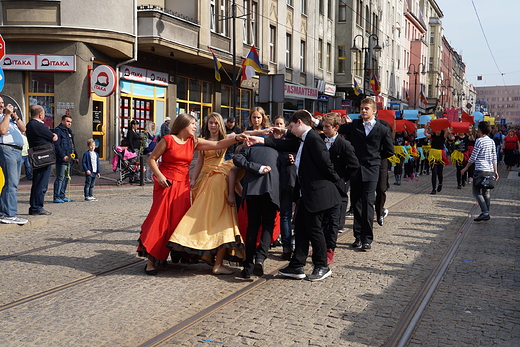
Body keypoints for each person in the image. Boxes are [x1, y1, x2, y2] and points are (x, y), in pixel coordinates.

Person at [137, 113, 246, 275]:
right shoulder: (167, 139)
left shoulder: (193, 142)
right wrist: (160, 176)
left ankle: (164, 256)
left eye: (195, 124)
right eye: (193, 124)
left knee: (177, 222)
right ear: (183, 125)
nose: (196, 126)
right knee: (160, 220)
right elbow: (152, 159)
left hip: (182, 186)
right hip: (166, 185)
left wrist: (238, 138)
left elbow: (218, 144)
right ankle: (151, 262)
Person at [248, 110, 342, 281]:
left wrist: (338, 184)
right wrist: (260, 139)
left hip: (317, 193)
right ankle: (296, 265)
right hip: (306, 194)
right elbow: (283, 145)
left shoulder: (313, 139)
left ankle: (322, 265)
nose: (290, 130)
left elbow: (326, 165)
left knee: (315, 230)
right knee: (300, 228)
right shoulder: (304, 139)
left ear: (299, 122)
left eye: (291, 126)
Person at [333, 98, 394, 251]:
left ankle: (367, 238)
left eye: (366, 108)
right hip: (355, 169)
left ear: (374, 111)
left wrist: (375, 157)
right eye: (361, 108)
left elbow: (389, 150)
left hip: (372, 168)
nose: (363, 111)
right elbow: (336, 128)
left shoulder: (382, 129)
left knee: (368, 202)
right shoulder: (354, 125)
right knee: (356, 203)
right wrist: (315, 123)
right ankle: (358, 236)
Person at [167, 160, 246, 275]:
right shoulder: (245, 159)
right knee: (224, 222)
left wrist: (245, 196)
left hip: (210, 181)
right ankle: (218, 265)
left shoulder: (230, 161)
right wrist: (231, 195)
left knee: (208, 218)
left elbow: (235, 181)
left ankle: (206, 254)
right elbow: (233, 174)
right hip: (220, 184)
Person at [233, 144, 280, 278]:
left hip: (252, 190)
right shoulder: (277, 148)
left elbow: (237, 159)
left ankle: (248, 266)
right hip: (271, 191)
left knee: (252, 226)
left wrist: (255, 167)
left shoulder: (250, 148)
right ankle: (260, 257)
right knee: (268, 224)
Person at [319, 113, 359, 264]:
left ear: (336, 128)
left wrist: (342, 180)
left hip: (336, 187)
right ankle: (320, 248)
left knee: (332, 221)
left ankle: (330, 250)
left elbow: (354, 166)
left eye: (327, 127)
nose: (324, 129)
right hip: (322, 186)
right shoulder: (320, 140)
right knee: (321, 220)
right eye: (322, 126)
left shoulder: (344, 145)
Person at [461, 121, 498, 221]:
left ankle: (485, 212)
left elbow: (473, 157)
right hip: (489, 170)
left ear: (480, 130)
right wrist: (495, 170)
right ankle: (486, 212)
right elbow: (494, 157)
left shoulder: (479, 141)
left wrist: (465, 168)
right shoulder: (491, 141)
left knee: (476, 192)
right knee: (486, 193)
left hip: (480, 169)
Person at [0, 98, 28, 225]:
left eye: (2, 102)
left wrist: (15, 115)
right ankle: (9, 214)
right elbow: (2, 131)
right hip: (7, 149)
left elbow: (23, 129)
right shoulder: (3, 117)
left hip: (17, 151)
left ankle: (4, 211)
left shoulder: (9, 117)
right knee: (11, 183)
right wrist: (6, 114)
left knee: (13, 182)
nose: (2, 104)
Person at [26, 105, 58, 216]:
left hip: (37, 156)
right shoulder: (38, 125)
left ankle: (35, 206)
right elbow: (52, 136)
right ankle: (37, 207)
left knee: (37, 182)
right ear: (40, 114)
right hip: (42, 157)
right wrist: (53, 136)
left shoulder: (29, 124)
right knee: (41, 183)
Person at [191, 113, 227, 201]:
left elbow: (242, 134)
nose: (213, 125)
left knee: (213, 201)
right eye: (210, 123)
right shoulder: (202, 140)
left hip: (217, 175)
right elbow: (199, 161)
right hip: (203, 175)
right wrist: (193, 179)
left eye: (216, 123)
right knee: (199, 199)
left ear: (220, 125)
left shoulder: (225, 139)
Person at [53, 115, 78, 203]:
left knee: (67, 177)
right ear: (63, 121)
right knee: (60, 177)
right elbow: (57, 145)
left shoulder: (69, 132)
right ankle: (56, 196)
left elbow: (72, 145)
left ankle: (62, 195)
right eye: (67, 121)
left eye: (70, 122)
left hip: (70, 158)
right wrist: (63, 156)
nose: (69, 123)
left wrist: (76, 156)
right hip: (62, 159)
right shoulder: (58, 130)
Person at [425, 126, 450, 195]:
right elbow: (425, 134)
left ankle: (440, 183)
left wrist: (446, 126)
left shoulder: (443, 137)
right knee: (434, 172)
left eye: (439, 130)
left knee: (440, 173)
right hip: (433, 155)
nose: (437, 131)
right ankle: (433, 189)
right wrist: (426, 128)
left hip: (440, 156)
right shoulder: (432, 136)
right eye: (436, 130)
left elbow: (447, 132)